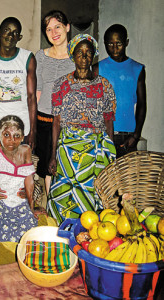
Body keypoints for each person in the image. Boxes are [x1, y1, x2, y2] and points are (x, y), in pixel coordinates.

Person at [47, 34, 116, 225]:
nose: (84, 57)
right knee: (62, 196)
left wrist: (111, 157)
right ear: (73, 56)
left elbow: (109, 121)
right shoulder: (61, 84)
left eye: (88, 53)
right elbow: (56, 121)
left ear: (93, 55)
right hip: (68, 151)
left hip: (95, 152)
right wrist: (53, 155)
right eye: (80, 53)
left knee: (92, 198)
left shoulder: (104, 85)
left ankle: (88, 239)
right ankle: (61, 237)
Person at [0, 115, 39, 265]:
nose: (12, 140)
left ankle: (20, 264)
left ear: (23, 137)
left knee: (30, 235)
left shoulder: (26, 151)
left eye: (17, 135)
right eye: (6, 135)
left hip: (19, 204)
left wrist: (32, 207)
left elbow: (29, 182)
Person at [0, 17, 37, 150]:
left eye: (15, 33)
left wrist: (33, 131)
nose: (11, 36)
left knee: (20, 169)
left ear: (20, 37)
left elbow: (32, 97)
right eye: (7, 31)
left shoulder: (27, 58)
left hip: (22, 129)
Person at [35, 10, 75, 197]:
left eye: (57, 26)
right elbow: (37, 91)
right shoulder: (40, 56)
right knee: (45, 167)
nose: (54, 32)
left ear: (67, 27)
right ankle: (51, 205)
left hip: (68, 122)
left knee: (65, 163)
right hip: (44, 119)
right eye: (49, 29)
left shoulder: (79, 57)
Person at [93, 24, 146, 158]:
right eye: (110, 44)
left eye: (119, 43)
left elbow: (141, 104)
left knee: (127, 177)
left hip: (128, 136)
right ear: (104, 44)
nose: (114, 48)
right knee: (105, 177)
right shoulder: (97, 69)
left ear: (126, 43)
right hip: (103, 133)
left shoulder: (137, 69)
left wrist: (136, 135)